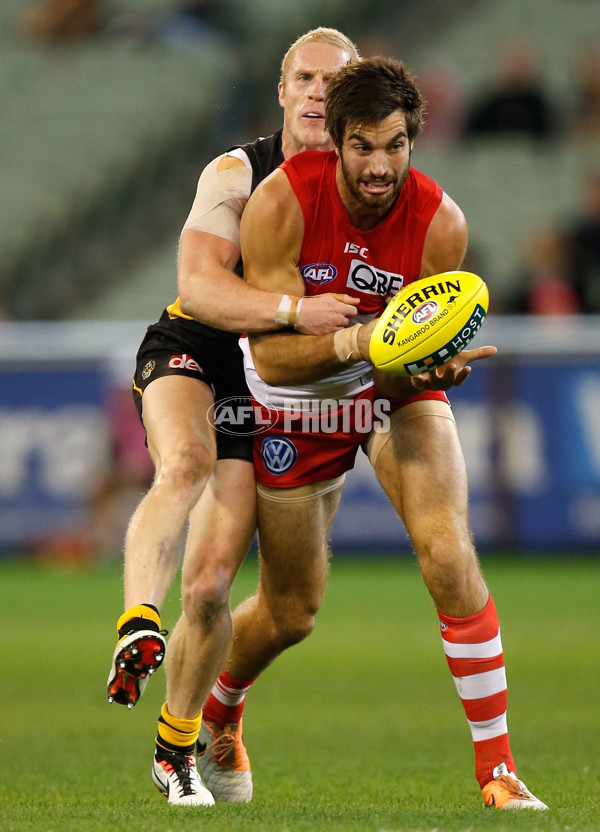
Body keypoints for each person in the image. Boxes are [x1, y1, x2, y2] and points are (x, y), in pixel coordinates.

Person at [199, 56, 548, 811]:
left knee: (450, 554)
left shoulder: (440, 225)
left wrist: (420, 373)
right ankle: (220, 709)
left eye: (395, 145)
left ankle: (499, 771)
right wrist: (363, 342)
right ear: (337, 144)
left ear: (413, 140)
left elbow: (395, 372)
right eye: (363, 146)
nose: (380, 165)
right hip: (295, 399)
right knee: (291, 613)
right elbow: (273, 356)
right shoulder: (280, 204)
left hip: (384, 394)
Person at [105, 28, 361, 806]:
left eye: (333, 82)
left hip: (278, 375)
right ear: (282, 92)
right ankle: (137, 623)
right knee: (181, 463)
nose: (318, 92)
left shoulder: (369, 184)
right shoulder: (236, 173)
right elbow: (201, 283)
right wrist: (292, 308)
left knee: (216, 584)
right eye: (304, 78)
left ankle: (175, 745)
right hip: (197, 344)